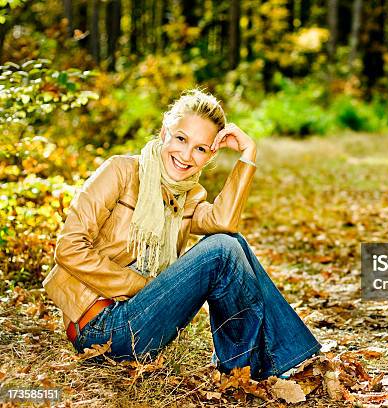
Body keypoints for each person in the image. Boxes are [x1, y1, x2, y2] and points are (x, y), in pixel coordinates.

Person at [42, 89, 321, 380]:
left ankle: (248, 365)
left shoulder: (186, 197)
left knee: (233, 243)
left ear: (211, 155)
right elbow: (69, 247)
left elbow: (225, 222)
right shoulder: (121, 171)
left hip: (145, 321)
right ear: (165, 131)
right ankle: (277, 359)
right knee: (222, 250)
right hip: (102, 327)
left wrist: (248, 154)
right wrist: (142, 286)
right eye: (181, 139)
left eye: (201, 148)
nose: (186, 155)